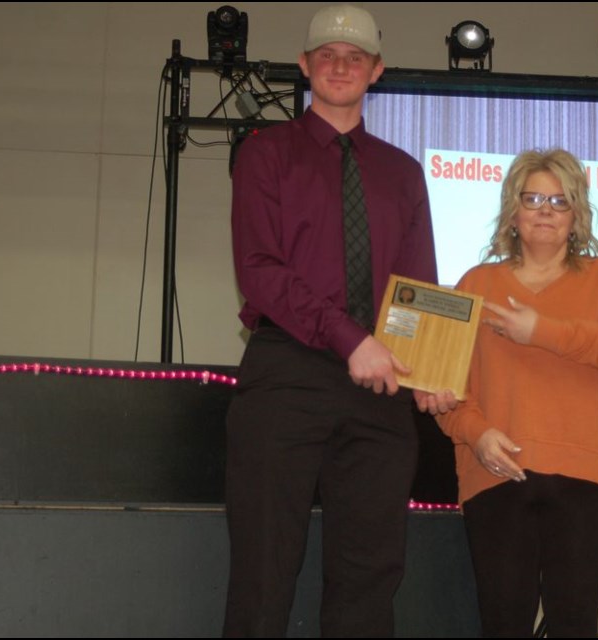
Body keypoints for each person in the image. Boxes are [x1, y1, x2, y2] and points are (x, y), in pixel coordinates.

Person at [224, 5, 441, 637]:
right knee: (264, 572)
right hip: (285, 372)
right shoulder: (265, 154)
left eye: (354, 58)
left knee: (370, 578)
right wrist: (351, 339)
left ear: (376, 71)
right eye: (327, 56)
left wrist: (427, 367)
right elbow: (260, 270)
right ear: (305, 66)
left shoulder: (403, 172)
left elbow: (418, 289)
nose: (339, 66)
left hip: (380, 388)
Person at [435, 149, 598, 637]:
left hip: (588, 480)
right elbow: (443, 390)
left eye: (560, 201)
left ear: (577, 216)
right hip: (495, 475)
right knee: (502, 624)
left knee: (575, 624)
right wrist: (478, 434)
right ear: (513, 211)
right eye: (532, 198)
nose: (546, 210)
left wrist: (541, 331)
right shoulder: (474, 283)